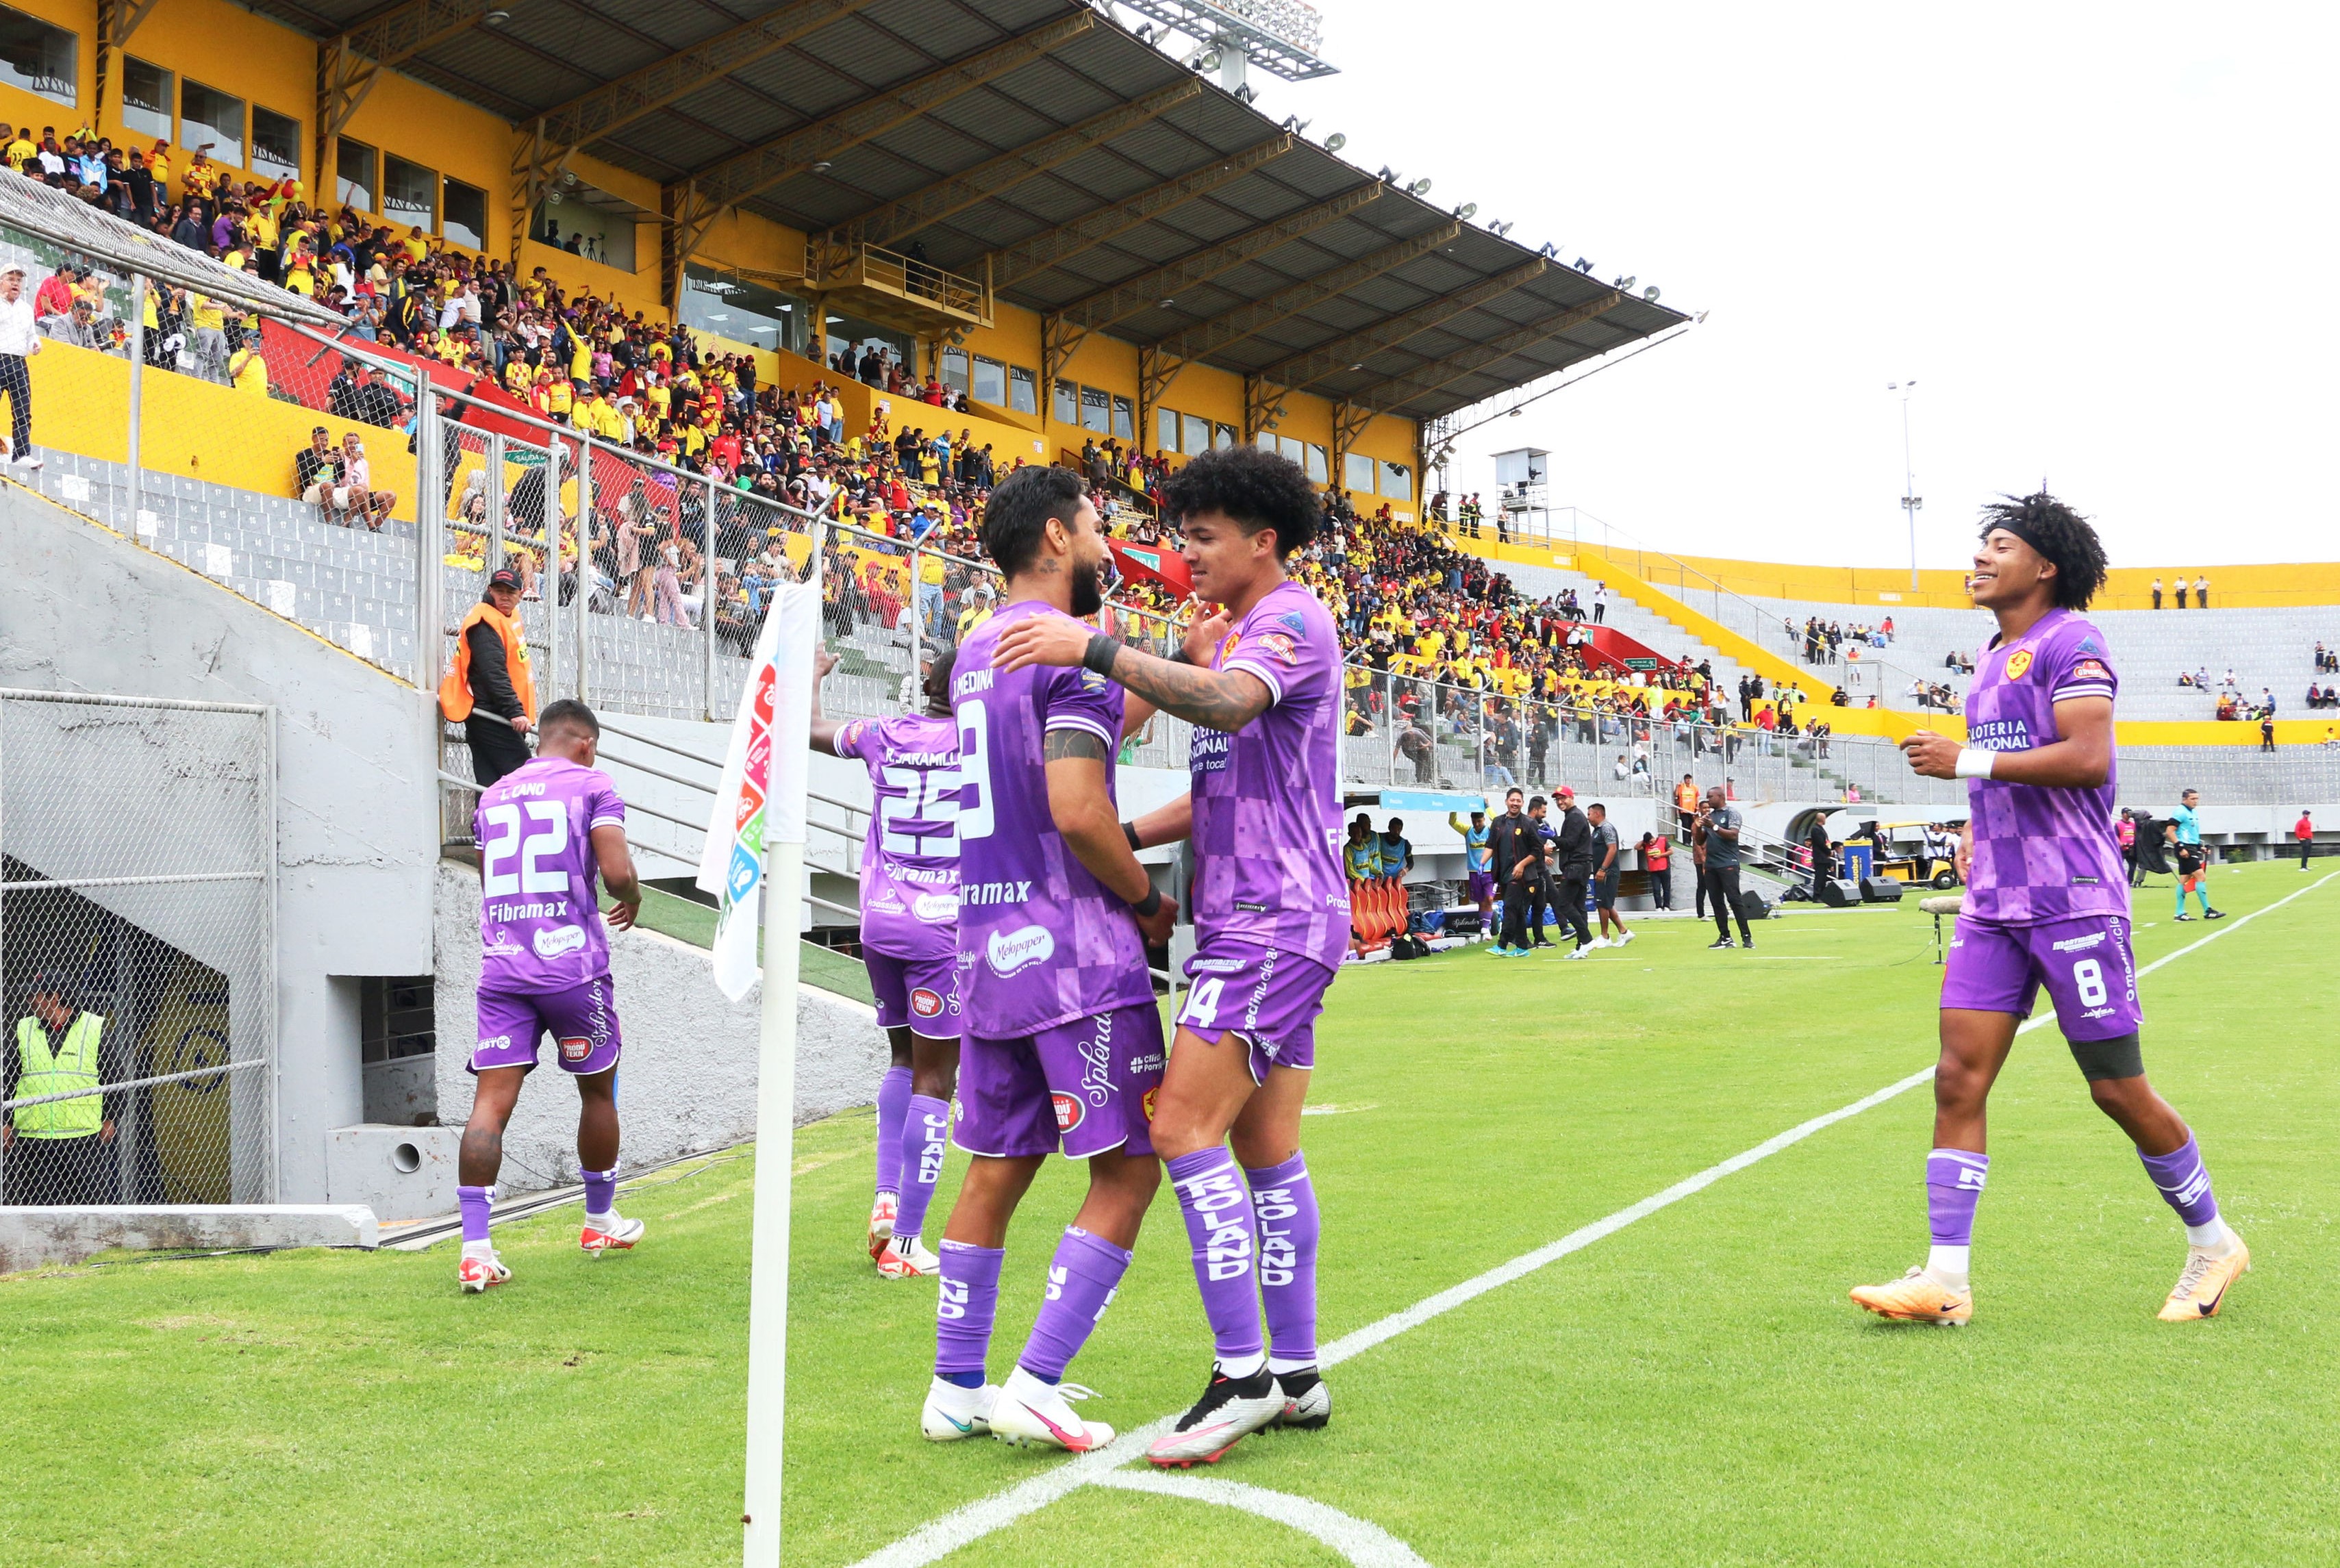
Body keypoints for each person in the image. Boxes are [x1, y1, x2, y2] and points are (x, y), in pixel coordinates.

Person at [990, 442, 1345, 1464]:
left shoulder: (1288, 619)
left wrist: (1086, 648)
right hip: (1261, 921)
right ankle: (1299, 1373)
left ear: (1261, 540)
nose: (1183, 555)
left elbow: (1229, 705)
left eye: (1202, 537)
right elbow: (1226, 783)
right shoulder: (1239, 630)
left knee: (1179, 1129)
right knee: (1265, 1149)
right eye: (1179, 536)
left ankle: (1241, 1378)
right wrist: (1122, 838)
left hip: (1270, 925)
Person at [1853, 492, 2248, 1328]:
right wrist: (1972, 826)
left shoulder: (2074, 640)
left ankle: (2214, 1243)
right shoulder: (1993, 655)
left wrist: (1966, 763)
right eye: (1982, 543)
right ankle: (1946, 1278)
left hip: (2071, 900)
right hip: (1995, 903)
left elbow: (2086, 757)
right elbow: (2003, 766)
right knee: (1958, 1077)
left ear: (2044, 565)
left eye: (2001, 543)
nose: (1983, 555)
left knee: (2116, 1089)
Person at [918, 465, 1174, 1453]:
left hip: (984, 953)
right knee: (1128, 1168)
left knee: (999, 1162)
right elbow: (1075, 804)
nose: (1110, 546)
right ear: (1060, 538)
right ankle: (1035, 1379)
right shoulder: (1064, 657)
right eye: (1100, 527)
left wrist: (1156, 669)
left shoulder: (977, 650)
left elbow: (1061, 739)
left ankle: (953, 1388)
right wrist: (1145, 899)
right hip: (1073, 956)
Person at [455, 700, 644, 1293]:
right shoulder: (593, 785)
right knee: (597, 1088)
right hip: (571, 970)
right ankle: (598, 1220)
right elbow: (615, 874)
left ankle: (476, 1250)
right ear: (586, 743)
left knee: (491, 1103)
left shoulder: (494, 794)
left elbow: (490, 880)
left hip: (504, 969)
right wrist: (632, 894)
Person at [811, 646, 962, 1280]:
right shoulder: (983, 741)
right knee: (938, 1079)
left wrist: (814, 679)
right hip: (942, 929)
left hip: (878, 920)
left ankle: (886, 1194)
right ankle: (905, 1243)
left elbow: (810, 732)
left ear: (924, 681)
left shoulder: (884, 732)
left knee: (902, 1060)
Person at [4, 972, 116, 1204]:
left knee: (90, 1207)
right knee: (38, 1208)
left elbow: (115, 1079)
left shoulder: (93, 1027)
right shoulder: (23, 1029)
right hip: (34, 1138)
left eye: (34, 996)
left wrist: (110, 1119)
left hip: (84, 1138)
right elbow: (8, 1078)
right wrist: (5, 1122)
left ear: (53, 998)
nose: (29, 1001)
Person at [438, 568, 537, 788]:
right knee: (526, 780)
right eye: (499, 591)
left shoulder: (507, 615)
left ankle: (481, 823)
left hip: (495, 713)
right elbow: (493, 673)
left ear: (520, 595)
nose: (504, 596)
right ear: (489, 590)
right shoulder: (484, 620)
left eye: (510, 592)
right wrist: (515, 711)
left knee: (491, 785)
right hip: (491, 714)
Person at [1699, 784, 1752, 949]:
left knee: (1734, 899)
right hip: (1712, 864)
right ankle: (1725, 937)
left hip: (1728, 863)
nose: (1708, 800)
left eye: (1711, 797)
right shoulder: (1709, 816)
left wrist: (1713, 826)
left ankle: (1746, 937)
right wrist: (1700, 826)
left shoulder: (1732, 813)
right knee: (1716, 901)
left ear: (1720, 797)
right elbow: (1700, 841)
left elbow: (1733, 835)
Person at [0, 262, 42, 469]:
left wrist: (35, 344)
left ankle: (22, 454)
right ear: (1, 283)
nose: (15, 283)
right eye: (10, 279)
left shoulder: (26, 309)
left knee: (23, 410)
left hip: (19, 362)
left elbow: (31, 335)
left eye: (18, 280)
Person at [1485, 788, 1533, 957]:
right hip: (1503, 873)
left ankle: (1502, 945)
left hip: (1521, 875)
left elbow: (1537, 851)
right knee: (1518, 910)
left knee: (1510, 908)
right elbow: (1490, 845)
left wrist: (1521, 865)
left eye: (1518, 800)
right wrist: (1482, 864)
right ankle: (1522, 947)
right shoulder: (1498, 822)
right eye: (1512, 800)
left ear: (1522, 803)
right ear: (1506, 801)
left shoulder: (1528, 823)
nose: (1515, 803)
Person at [1549, 786, 1596, 955]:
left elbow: (1569, 843)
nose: (1560, 802)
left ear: (1571, 797)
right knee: (1579, 906)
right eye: (1557, 799)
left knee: (1564, 904)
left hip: (1575, 866)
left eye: (1563, 798)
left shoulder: (1574, 817)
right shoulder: (1574, 816)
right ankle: (1581, 947)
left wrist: (1552, 837)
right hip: (1581, 866)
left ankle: (1587, 940)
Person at [2165, 787, 2222, 921]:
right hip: (2185, 850)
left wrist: (2199, 847)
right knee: (2200, 877)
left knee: (2184, 880)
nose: (2195, 802)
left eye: (2197, 799)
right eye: (2193, 799)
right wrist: (2180, 848)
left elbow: (2190, 834)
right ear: (2185, 799)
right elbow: (2170, 831)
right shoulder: (2180, 812)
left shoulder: (2193, 813)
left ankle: (2179, 913)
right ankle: (2207, 910)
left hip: (2191, 847)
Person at [1585, 802, 1633, 950]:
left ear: (1597, 814)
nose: (1588, 818)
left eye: (1589, 814)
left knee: (1602, 903)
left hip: (1608, 872)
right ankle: (1624, 932)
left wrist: (1603, 869)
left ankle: (1605, 936)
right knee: (1605, 903)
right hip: (1602, 872)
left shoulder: (1606, 828)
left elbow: (1612, 849)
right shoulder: (1597, 830)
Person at [1450, 807, 1496, 931]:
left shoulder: (1490, 830)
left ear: (1484, 819)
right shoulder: (1467, 831)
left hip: (1489, 872)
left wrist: (1487, 807)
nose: (1477, 824)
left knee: (1490, 899)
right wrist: (1453, 807)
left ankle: (1486, 927)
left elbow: (1497, 821)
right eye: (1474, 822)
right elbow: (1452, 823)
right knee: (1481, 902)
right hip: (1474, 873)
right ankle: (1485, 927)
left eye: (1479, 821)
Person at [1377, 816, 1414, 887]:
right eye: (1394, 829)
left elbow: (1411, 863)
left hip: (1395, 881)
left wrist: (1406, 870)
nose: (1397, 832)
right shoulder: (1379, 838)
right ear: (1389, 828)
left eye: (1399, 829)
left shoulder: (1405, 844)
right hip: (1379, 879)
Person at [1641, 829, 1672, 910]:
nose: (1651, 844)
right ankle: (1658, 906)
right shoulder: (1646, 845)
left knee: (1666, 888)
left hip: (1665, 868)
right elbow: (1637, 847)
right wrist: (1643, 841)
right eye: (1649, 843)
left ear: (1653, 838)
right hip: (1654, 870)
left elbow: (1671, 851)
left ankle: (1666, 906)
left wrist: (1660, 856)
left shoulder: (1662, 840)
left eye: (1651, 842)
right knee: (1656, 889)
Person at [1807, 815, 1834, 896]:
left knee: (1823, 877)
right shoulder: (1816, 829)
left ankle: (1822, 894)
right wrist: (1829, 852)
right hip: (1820, 857)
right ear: (1822, 819)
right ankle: (1817, 895)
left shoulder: (1819, 828)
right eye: (1825, 818)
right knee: (1819, 877)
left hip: (1824, 857)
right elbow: (1821, 843)